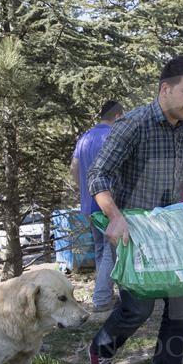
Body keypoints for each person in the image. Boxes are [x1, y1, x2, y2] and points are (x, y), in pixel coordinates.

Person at [86, 56, 183, 364]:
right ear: (165, 89)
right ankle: (101, 349)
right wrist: (115, 216)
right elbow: (98, 175)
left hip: (170, 225)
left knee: (180, 304)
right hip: (131, 225)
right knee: (139, 307)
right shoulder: (133, 124)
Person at [70, 100, 124, 312]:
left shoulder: (85, 137)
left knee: (103, 250)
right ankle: (101, 298)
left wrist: (86, 191)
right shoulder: (112, 136)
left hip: (90, 204)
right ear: (118, 116)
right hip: (110, 203)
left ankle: (113, 295)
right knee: (114, 251)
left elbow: (74, 169)